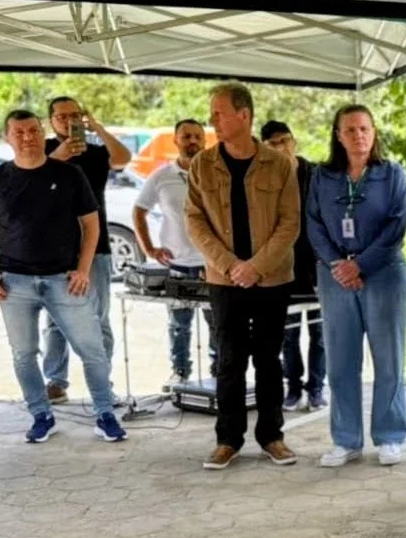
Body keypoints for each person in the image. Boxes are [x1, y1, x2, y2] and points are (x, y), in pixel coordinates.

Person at [0, 110, 127, 445]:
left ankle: (105, 414)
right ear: (7, 137)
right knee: (23, 353)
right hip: (14, 282)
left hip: (64, 278)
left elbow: (91, 224)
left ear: (43, 133)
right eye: (18, 132)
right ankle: (41, 415)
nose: (27, 137)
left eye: (32, 130)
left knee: (93, 350)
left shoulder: (69, 174)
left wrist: (83, 268)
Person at [185, 83, 301, 471]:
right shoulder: (202, 164)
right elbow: (195, 221)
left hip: (271, 279)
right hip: (224, 280)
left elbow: (290, 223)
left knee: (269, 360)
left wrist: (256, 266)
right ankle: (227, 440)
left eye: (219, 113)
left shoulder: (279, 164)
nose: (212, 120)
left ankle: (272, 436)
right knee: (229, 361)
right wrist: (230, 264)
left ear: (244, 115)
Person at [306, 105, 406, 466]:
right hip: (335, 274)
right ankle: (346, 439)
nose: (358, 136)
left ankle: (390, 436)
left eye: (364, 128)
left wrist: (361, 264)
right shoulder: (322, 176)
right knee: (340, 360)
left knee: (389, 359)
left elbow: (397, 226)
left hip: (384, 273)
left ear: (374, 131)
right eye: (350, 130)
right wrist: (340, 265)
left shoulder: (391, 174)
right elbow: (314, 224)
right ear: (338, 135)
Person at [40, 97, 132, 404]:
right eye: (62, 116)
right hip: (54, 249)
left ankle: (102, 383)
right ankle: (55, 381)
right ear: (51, 121)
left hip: (97, 248)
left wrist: (97, 128)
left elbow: (123, 158)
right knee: (55, 318)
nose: (69, 121)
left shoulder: (94, 152)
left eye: (75, 115)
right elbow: (34, 180)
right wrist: (60, 155)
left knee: (98, 318)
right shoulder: (44, 151)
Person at [133, 118, 214, 386]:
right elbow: (139, 211)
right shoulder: (161, 176)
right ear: (176, 140)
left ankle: (219, 375)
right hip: (177, 265)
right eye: (186, 136)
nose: (192, 141)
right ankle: (180, 372)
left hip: (212, 265)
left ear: (204, 141)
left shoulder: (216, 173)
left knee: (218, 324)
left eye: (197, 136)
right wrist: (149, 248)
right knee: (179, 325)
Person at [261, 120, 326, 414]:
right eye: (273, 144)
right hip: (281, 270)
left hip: (318, 266)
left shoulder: (316, 174)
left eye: (284, 141)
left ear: (294, 142)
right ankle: (293, 388)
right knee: (287, 335)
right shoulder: (263, 180)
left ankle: (316, 389)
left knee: (320, 334)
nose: (281, 148)